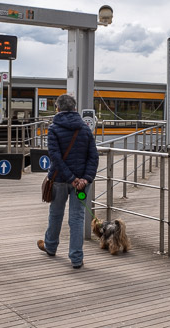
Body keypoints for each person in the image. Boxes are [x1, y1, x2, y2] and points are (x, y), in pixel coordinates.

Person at [37, 94, 99, 269]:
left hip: (60, 180)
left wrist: (71, 179)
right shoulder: (85, 129)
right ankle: (76, 258)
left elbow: (55, 158)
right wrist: (85, 179)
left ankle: (50, 246)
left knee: (56, 214)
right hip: (81, 184)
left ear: (57, 108)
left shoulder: (54, 129)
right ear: (74, 109)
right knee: (77, 218)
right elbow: (93, 157)